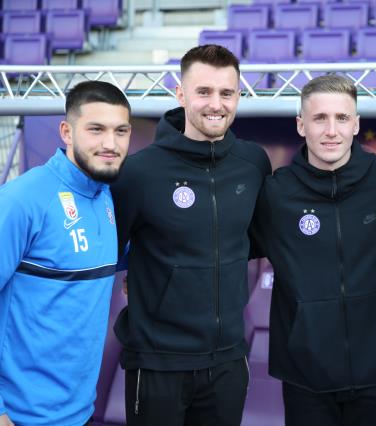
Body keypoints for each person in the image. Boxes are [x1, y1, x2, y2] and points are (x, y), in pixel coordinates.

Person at [0, 80, 132, 425]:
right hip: (16, 416)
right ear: (67, 132)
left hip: (78, 411)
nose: (110, 144)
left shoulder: (108, 196)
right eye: (96, 129)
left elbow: (110, 258)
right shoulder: (21, 199)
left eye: (120, 131)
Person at [111, 44, 271, 426]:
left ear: (238, 96)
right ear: (180, 94)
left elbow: (251, 241)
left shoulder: (253, 163)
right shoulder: (138, 172)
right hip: (157, 362)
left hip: (228, 360)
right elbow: (110, 251)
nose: (216, 104)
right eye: (203, 92)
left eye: (226, 93)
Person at [251, 75, 376, 426]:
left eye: (341, 118)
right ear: (301, 125)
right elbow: (228, 246)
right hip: (305, 377)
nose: (331, 131)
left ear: (355, 124)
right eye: (319, 118)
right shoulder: (276, 194)